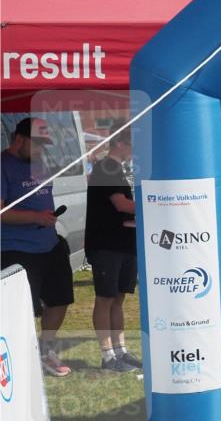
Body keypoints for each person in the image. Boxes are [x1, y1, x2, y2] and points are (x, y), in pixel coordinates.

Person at [0, 117, 75, 377]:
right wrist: (35, 218)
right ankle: (20, 358)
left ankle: (45, 351)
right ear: (19, 140)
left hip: (50, 244)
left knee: (61, 299)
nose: (42, 150)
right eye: (38, 144)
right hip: (16, 249)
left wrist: (46, 221)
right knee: (21, 309)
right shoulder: (3, 165)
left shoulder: (40, 164)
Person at [84, 124, 141, 371]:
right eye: (131, 145)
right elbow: (121, 205)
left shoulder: (116, 169)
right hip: (106, 244)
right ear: (121, 144)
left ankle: (121, 350)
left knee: (118, 298)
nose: (133, 151)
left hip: (123, 242)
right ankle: (108, 356)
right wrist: (156, 202)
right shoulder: (105, 168)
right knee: (105, 299)